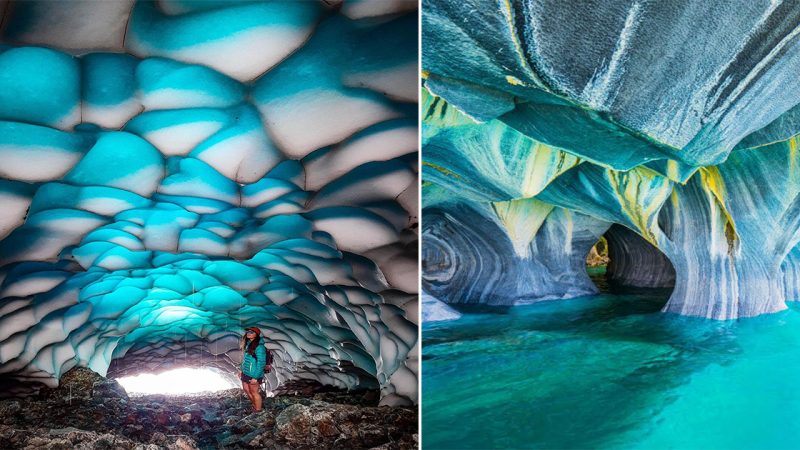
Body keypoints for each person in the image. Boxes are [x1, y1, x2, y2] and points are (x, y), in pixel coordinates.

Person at [239, 326, 269, 412]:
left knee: (254, 392)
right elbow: (245, 359)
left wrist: (255, 377)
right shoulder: (248, 344)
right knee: (246, 390)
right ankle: (255, 406)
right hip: (246, 372)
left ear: (256, 335)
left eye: (251, 332)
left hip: (254, 373)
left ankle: (258, 411)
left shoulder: (260, 347)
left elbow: (261, 363)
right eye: (248, 331)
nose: (248, 333)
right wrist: (241, 369)